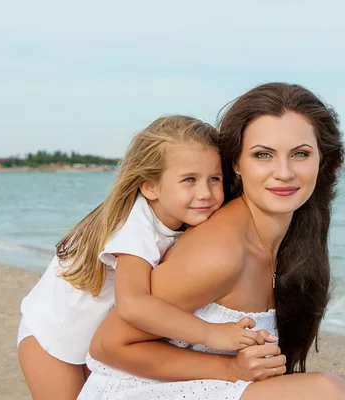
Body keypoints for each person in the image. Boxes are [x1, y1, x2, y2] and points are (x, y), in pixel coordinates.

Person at [78, 82, 345, 399]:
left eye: (300, 154)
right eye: (263, 155)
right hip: (135, 391)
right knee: (325, 392)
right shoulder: (220, 251)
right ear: (236, 163)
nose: (284, 172)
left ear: (323, 159)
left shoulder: (294, 236)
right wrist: (228, 370)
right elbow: (108, 346)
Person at [18, 115, 272, 400]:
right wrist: (209, 334)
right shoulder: (135, 229)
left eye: (214, 179)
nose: (205, 193)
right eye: (189, 180)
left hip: (90, 340)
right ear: (150, 186)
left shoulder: (181, 218)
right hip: (52, 340)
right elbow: (134, 305)